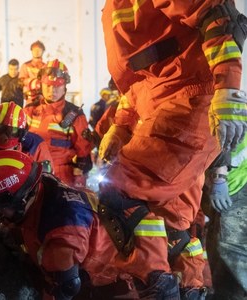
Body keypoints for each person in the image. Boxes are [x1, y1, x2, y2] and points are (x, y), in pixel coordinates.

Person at [100, 1, 247, 297]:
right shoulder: (112, 7)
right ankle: (189, 290)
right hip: (162, 109)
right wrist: (122, 124)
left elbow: (216, 13)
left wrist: (228, 86)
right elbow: (140, 77)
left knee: (117, 193)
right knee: (171, 221)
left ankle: (159, 288)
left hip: (187, 103)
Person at [0, 150, 175, 299]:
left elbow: (65, 288)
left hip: (115, 285)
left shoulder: (62, 230)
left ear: (21, 199)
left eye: (0, 207)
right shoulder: (42, 190)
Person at [23, 59, 92, 189]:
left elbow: (84, 151)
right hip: (31, 172)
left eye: (57, 86)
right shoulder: (30, 110)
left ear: (65, 86)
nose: (52, 91)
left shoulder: (74, 115)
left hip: (63, 176)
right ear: (41, 85)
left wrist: (79, 178)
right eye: (48, 85)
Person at [204, 138, 247, 299]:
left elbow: (226, 130)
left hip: (235, 184)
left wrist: (218, 177)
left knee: (231, 254)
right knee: (232, 253)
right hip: (233, 185)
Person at [0, 101, 52, 165]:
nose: (4, 137)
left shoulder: (36, 146)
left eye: (13, 130)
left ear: (22, 134)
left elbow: (48, 178)